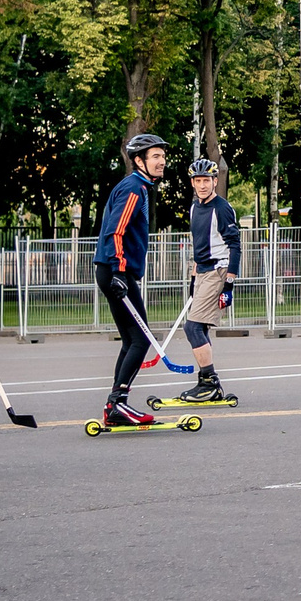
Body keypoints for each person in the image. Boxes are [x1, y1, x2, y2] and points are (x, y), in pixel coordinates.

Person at [92, 133, 170, 429]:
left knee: (131, 339)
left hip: (115, 271)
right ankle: (117, 402)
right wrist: (119, 271)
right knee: (141, 338)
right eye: (155, 157)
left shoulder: (141, 187)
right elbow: (116, 231)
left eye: (162, 156)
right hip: (116, 272)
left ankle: (116, 405)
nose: (161, 161)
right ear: (139, 161)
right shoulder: (134, 188)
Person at [163, 158, 242, 408]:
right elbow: (198, 246)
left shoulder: (222, 207)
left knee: (193, 328)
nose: (202, 185)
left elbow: (235, 245)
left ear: (215, 182)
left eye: (206, 180)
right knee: (201, 329)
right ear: (193, 183)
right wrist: (193, 276)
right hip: (202, 272)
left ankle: (209, 383)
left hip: (218, 271)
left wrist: (229, 283)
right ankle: (206, 382)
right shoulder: (194, 207)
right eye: (197, 181)